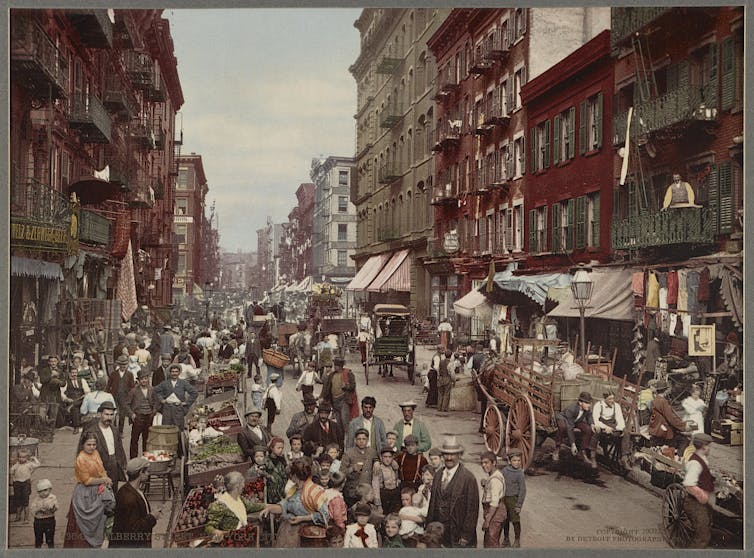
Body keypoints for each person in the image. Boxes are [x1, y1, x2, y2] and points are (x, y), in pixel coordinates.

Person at [259, 458, 329, 547]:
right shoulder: (293, 490)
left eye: (291, 475)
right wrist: (269, 508)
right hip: (288, 532)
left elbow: (325, 515)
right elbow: (284, 506)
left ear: (295, 476)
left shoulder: (315, 491)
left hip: (307, 534)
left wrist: (302, 518)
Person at [425, 436, 479, 548]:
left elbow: (472, 511)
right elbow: (432, 503)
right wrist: (429, 527)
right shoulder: (438, 474)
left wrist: (466, 535)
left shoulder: (468, 478)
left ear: (459, 455)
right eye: (446, 454)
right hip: (438, 531)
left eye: (453, 454)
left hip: (457, 532)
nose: (449, 458)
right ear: (442, 456)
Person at [64, 432, 114, 548]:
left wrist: (106, 480)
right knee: (83, 524)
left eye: (94, 444)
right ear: (82, 445)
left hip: (98, 490)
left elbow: (101, 470)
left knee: (100, 520)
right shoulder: (81, 459)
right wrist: (104, 480)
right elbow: (86, 481)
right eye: (88, 444)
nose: (92, 447)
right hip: (84, 494)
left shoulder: (96, 453)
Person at [110, 457, 163, 547]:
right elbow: (134, 530)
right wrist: (152, 517)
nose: (148, 474)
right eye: (146, 471)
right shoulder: (129, 498)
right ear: (140, 473)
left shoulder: (129, 489)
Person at [205, 471, 266, 545]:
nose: (244, 486)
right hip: (229, 542)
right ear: (237, 486)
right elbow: (208, 527)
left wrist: (268, 506)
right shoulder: (220, 505)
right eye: (242, 484)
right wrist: (220, 533)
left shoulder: (240, 499)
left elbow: (252, 507)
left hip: (242, 538)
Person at [79, 401, 127, 492]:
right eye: (106, 414)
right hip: (98, 466)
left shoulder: (115, 430)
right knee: (98, 493)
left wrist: (123, 465)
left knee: (113, 492)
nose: (109, 418)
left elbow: (120, 449)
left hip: (113, 465)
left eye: (111, 415)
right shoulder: (91, 432)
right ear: (100, 414)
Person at [682, 433, 715, 548]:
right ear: (704, 447)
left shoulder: (702, 459)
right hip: (695, 504)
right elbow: (689, 484)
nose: (710, 449)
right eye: (709, 446)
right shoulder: (695, 463)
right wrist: (704, 496)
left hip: (701, 503)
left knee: (705, 531)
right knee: (702, 538)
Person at [554, 391, 597, 467]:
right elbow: (570, 427)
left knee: (588, 429)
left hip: (576, 420)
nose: (589, 405)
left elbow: (589, 416)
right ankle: (557, 449)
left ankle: (582, 452)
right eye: (587, 403)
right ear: (580, 403)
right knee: (562, 427)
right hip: (564, 419)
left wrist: (592, 424)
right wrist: (573, 444)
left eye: (589, 403)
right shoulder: (572, 409)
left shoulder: (586, 409)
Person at [123, 368, 158, 459]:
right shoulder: (133, 391)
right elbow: (126, 404)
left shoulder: (152, 390)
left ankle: (145, 459)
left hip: (148, 417)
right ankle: (133, 460)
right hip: (138, 417)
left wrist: (153, 412)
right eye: (142, 379)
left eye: (146, 378)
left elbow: (156, 402)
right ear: (138, 380)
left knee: (146, 439)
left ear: (148, 379)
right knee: (135, 439)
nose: (144, 381)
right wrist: (132, 414)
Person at [153, 363, 198, 430]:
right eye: (173, 372)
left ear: (179, 372)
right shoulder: (165, 383)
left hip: (178, 410)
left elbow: (194, 393)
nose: (174, 373)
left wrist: (186, 402)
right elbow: (155, 391)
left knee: (178, 429)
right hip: (167, 410)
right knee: (166, 429)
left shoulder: (183, 383)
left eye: (176, 371)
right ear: (170, 373)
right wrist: (161, 400)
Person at [649, 380, 691, 452]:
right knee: (684, 440)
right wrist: (684, 426)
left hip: (656, 428)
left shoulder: (655, 400)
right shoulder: (663, 401)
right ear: (666, 390)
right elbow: (671, 419)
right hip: (663, 431)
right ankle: (678, 457)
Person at [342, 428, 378, 507]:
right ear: (355, 440)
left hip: (367, 492)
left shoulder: (372, 452)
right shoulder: (349, 453)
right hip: (353, 492)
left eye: (364, 439)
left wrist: (376, 462)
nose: (361, 441)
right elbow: (341, 473)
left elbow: (376, 459)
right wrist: (352, 469)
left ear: (367, 440)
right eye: (359, 439)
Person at [320, 357, 356, 435]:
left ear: (341, 366)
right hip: (335, 402)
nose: (335, 367)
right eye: (335, 365)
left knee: (345, 422)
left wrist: (346, 386)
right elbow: (326, 387)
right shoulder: (332, 375)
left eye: (337, 365)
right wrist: (323, 397)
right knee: (339, 425)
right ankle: (341, 444)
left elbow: (353, 386)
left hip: (344, 401)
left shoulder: (348, 373)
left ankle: (349, 442)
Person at [480, 451, 506, 548]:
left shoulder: (495, 480)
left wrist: (487, 521)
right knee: (491, 542)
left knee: (491, 543)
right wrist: (486, 484)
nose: (483, 465)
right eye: (482, 463)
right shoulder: (495, 475)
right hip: (496, 513)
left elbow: (494, 503)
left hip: (495, 514)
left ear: (494, 462)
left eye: (486, 462)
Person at [502, 448, 526, 548]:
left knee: (515, 520)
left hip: (513, 499)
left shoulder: (520, 473)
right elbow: (500, 481)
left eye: (519, 460)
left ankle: (517, 540)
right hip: (504, 499)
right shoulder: (505, 471)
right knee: (505, 520)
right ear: (509, 461)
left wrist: (519, 505)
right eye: (514, 460)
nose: (517, 463)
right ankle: (506, 539)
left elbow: (523, 490)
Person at [591, 391, 626, 459]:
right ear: (605, 399)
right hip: (601, 424)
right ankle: (592, 455)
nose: (612, 401)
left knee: (626, 432)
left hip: (611, 425)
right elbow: (595, 420)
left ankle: (624, 457)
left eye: (613, 398)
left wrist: (619, 429)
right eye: (610, 399)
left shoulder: (616, 406)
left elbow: (620, 419)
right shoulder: (598, 405)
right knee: (596, 431)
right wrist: (605, 427)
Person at [107, 355, 135, 436]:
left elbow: (132, 387)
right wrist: (107, 394)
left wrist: (131, 397)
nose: (123, 366)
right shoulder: (113, 374)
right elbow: (109, 385)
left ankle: (120, 431)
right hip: (114, 396)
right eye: (121, 365)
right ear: (118, 365)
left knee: (122, 415)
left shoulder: (129, 374)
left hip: (124, 397)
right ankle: (113, 430)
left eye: (124, 365)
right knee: (114, 414)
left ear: (126, 365)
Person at [10, 449, 40, 522]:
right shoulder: (16, 465)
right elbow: (11, 471)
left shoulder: (29, 464)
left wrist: (34, 458)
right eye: (20, 457)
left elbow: (38, 465)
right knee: (18, 500)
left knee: (25, 500)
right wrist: (14, 478)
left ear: (27, 458)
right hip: (17, 483)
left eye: (24, 457)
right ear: (18, 457)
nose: (21, 459)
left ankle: (26, 518)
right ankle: (18, 516)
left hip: (26, 483)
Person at [372, 446, 401, 515]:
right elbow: (375, 486)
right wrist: (378, 504)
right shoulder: (378, 468)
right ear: (381, 457)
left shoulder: (394, 466)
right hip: (384, 495)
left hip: (394, 494)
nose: (387, 459)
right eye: (385, 457)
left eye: (389, 457)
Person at [38, 355, 65, 427]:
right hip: (45, 394)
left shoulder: (60, 371)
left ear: (57, 362)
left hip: (55, 395)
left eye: (55, 361)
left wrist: (59, 382)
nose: (53, 363)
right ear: (49, 362)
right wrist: (51, 376)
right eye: (51, 361)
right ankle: (42, 429)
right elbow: (42, 380)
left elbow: (64, 383)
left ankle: (51, 431)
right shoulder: (44, 370)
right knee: (43, 414)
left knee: (54, 413)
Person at [30, 479, 58, 548]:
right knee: (38, 539)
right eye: (40, 491)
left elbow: (56, 507)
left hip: (49, 520)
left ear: (50, 489)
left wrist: (52, 508)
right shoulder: (36, 499)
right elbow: (32, 510)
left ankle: (51, 551)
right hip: (39, 521)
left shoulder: (52, 497)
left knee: (50, 539)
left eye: (45, 490)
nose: (43, 493)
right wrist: (38, 509)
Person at [62, 368, 90, 433]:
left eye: (75, 373)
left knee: (77, 404)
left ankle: (72, 406)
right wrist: (66, 399)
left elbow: (87, 391)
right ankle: (76, 427)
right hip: (71, 400)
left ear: (77, 373)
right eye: (72, 373)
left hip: (81, 400)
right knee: (75, 408)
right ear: (70, 374)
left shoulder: (82, 380)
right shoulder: (66, 382)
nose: (74, 374)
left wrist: (85, 395)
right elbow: (62, 393)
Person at [263, 437, 288, 504]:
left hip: (282, 490)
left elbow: (286, 472)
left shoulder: (282, 460)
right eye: (278, 448)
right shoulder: (266, 460)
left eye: (282, 448)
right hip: (271, 491)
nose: (280, 450)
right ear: (272, 448)